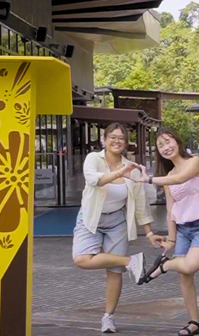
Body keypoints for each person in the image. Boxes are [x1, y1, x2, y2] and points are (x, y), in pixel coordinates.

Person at [72, 122, 165, 334]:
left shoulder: (132, 168)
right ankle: (130, 261)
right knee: (81, 259)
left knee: (114, 272)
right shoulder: (94, 159)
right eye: (112, 137)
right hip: (91, 218)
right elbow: (94, 180)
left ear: (126, 143)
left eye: (121, 138)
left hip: (117, 222)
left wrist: (149, 232)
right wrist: (120, 172)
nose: (116, 141)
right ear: (104, 140)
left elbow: (140, 203)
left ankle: (108, 318)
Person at [132, 127, 199, 336]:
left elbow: (180, 179)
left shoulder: (194, 162)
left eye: (168, 141)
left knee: (190, 265)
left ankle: (165, 266)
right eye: (160, 145)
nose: (166, 147)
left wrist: (149, 179)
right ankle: (194, 323)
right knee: (185, 276)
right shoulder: (168, 176)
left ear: (177, 141)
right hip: (183, 229)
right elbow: (171, 209)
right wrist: (171, 240)